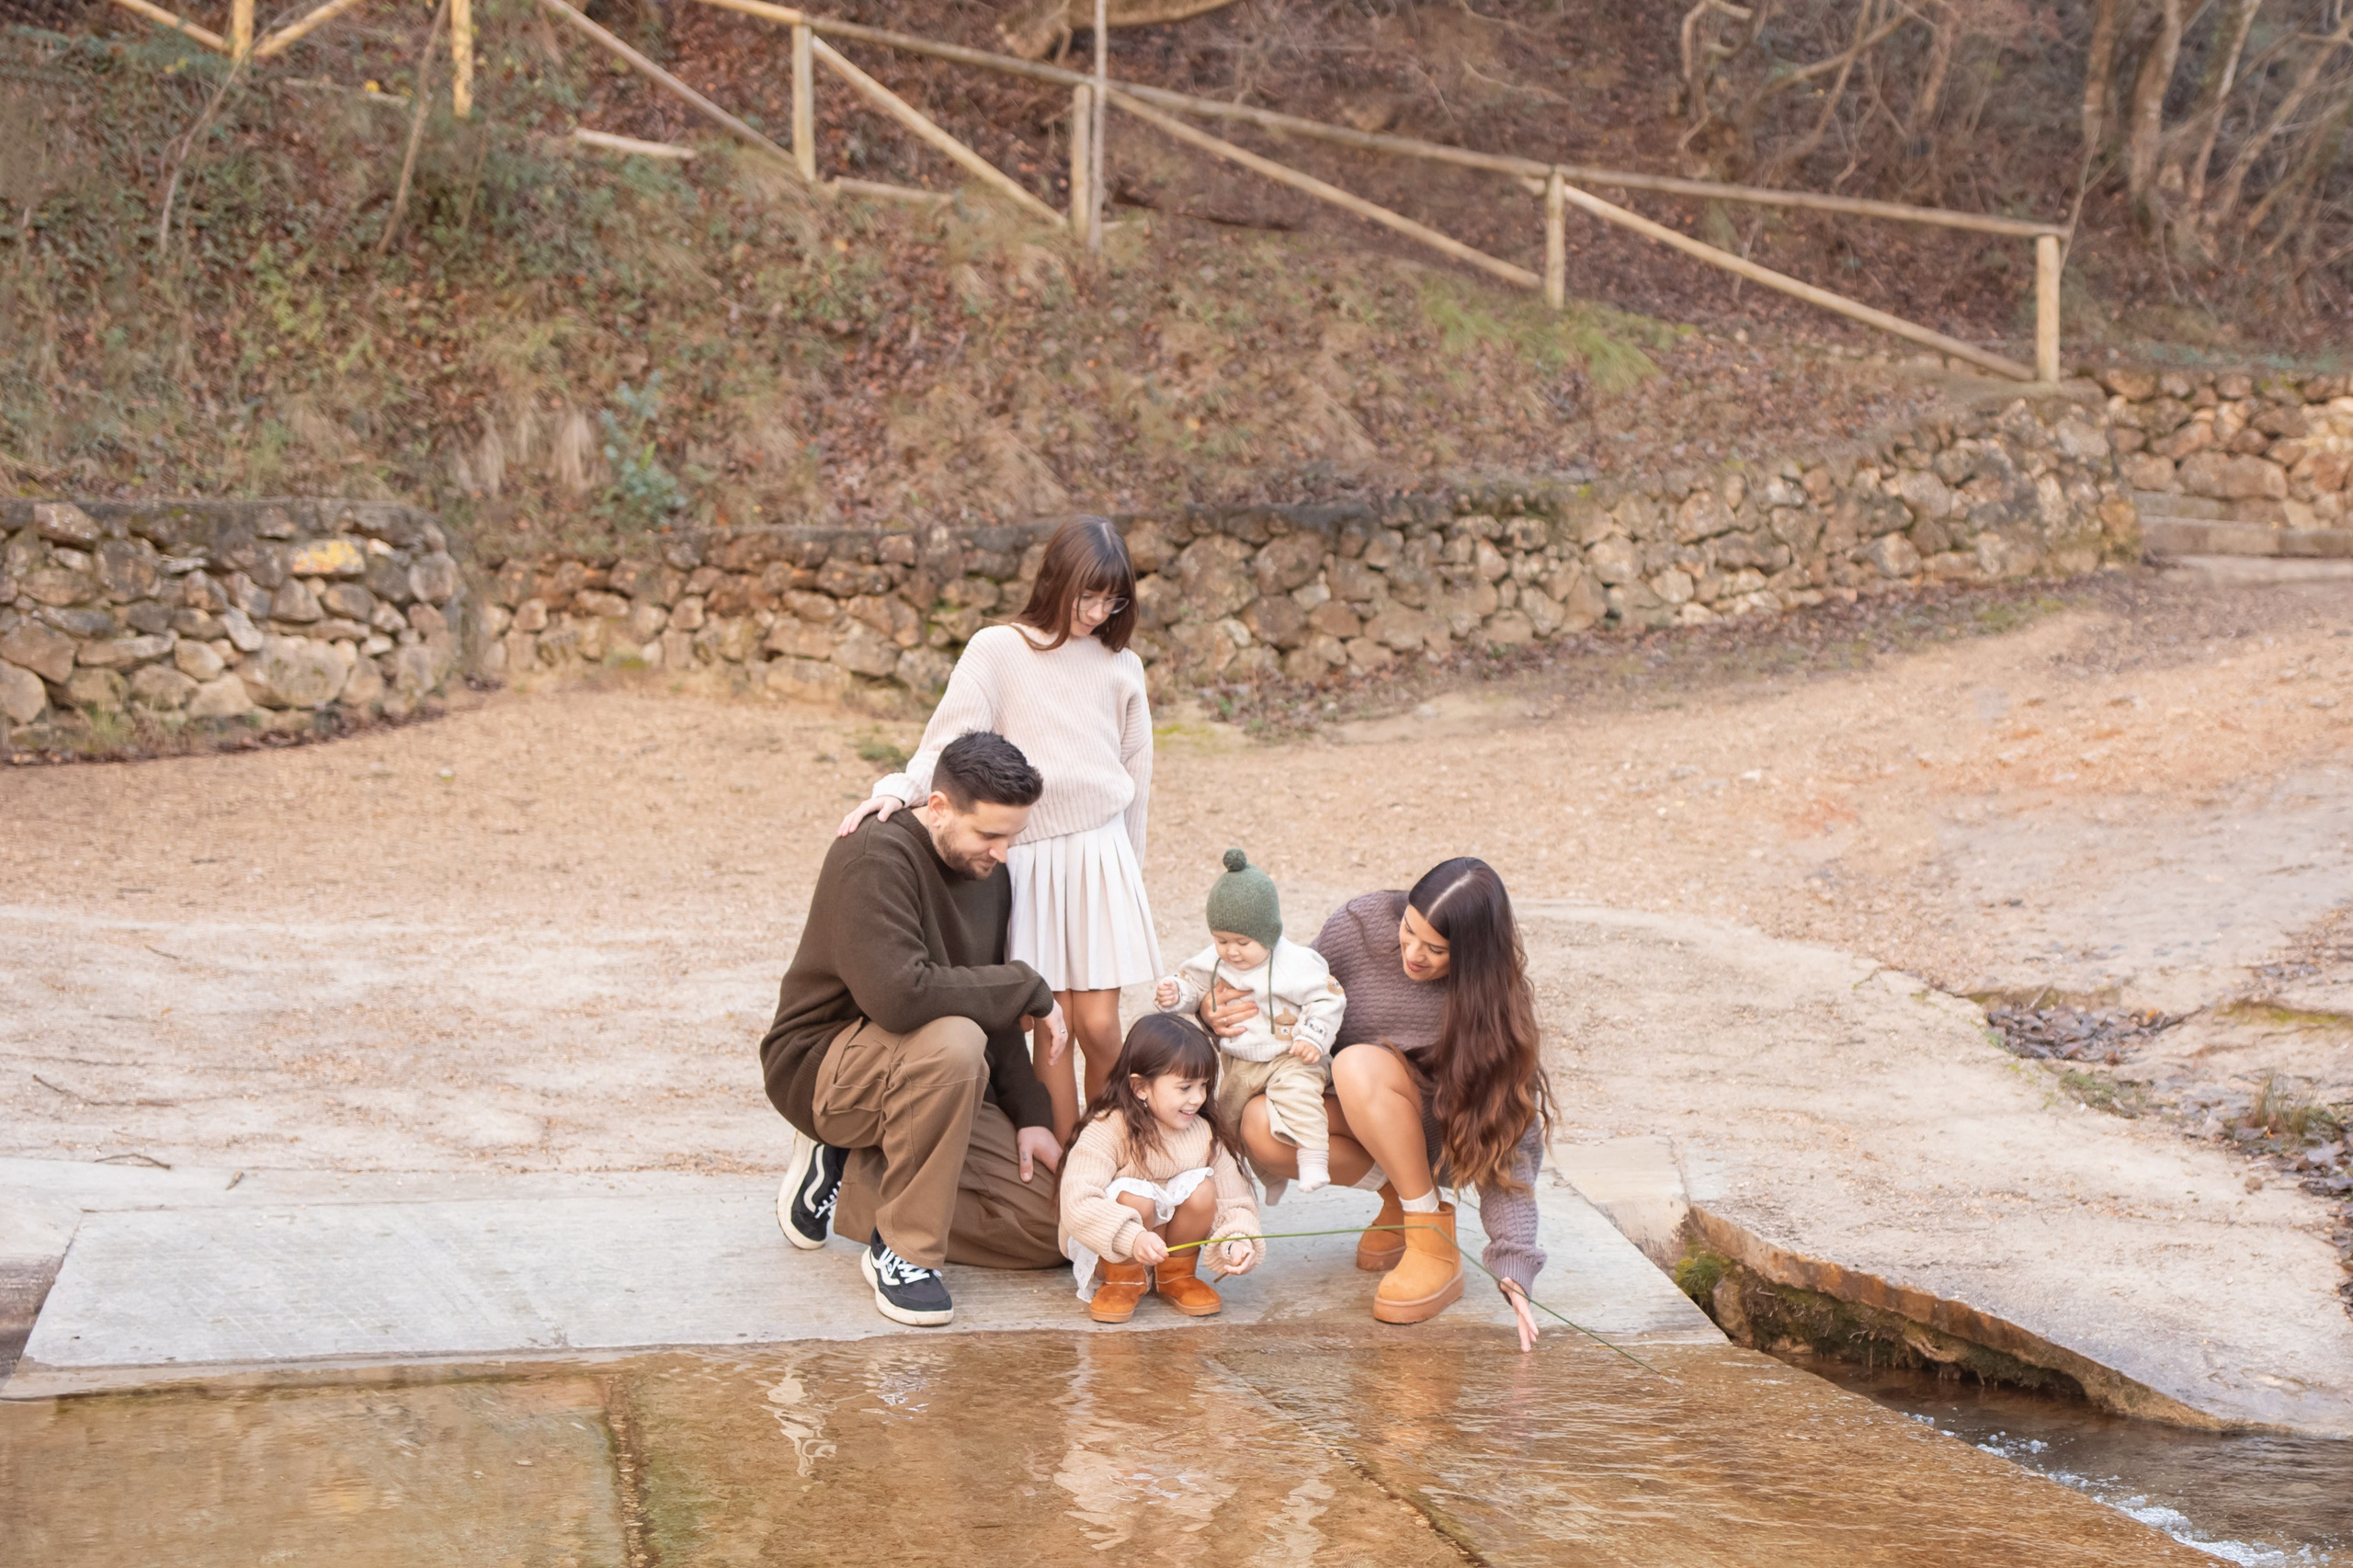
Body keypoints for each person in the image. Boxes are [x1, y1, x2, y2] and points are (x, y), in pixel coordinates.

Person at [838, 516, 1156, 1145]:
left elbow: (1137, 781)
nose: (1097, 611)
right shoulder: (998, 649)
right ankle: (1066, 1181)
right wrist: (895, 792)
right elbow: (948, 741)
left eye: (1111, 599)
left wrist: (1131, 876)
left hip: (1101, 857)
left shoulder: (1123, 666)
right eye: (1086, 595)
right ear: (1055, 579)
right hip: (1029, 857)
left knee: (1099, 1025)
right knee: (1051, 1025)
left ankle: (1121, 1154)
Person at [760, 730, 1071, 1328]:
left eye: (1013, 836)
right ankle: (903, 1252)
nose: (1003, 853)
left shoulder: (988, 871)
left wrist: (1030, 1114)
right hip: (826, 1066)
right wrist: (1027, 985)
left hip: (928, 1075)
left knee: (1053, 1231)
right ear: (937, 808)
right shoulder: (873, 857)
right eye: (989, 834)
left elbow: (982, 996)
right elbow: (901, 998)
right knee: (955, 1042)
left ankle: (856, 1180)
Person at [1206, 858, 1555, 1349]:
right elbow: (1288, 991)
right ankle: (1402, 1202)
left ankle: (1432, 1242)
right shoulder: (1359, 925)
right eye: (1407, 931)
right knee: (1261, 1124)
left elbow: (1513, 1144)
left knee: (1357, 1064)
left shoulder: (1494, 1004)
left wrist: (1515, 1264)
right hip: (1365, 1112)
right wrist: (1213, 1008)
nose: (1411, 953)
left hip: (1433, 1133)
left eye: (1435, 949)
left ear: (1473, 954)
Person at [1154, 848, 1345, 1196]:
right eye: (1222, 940)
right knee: (1229, 1120)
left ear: (1269, 933)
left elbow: (1328, 996)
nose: (1232, 951)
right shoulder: (1213, 960)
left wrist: (1313, 1036)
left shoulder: (1297, 963)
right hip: (1241, 1062)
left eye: (1243, 942)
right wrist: (1176, 993)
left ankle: (1313, 1157)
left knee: (1298, 1096)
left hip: (1291, 1057)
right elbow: (1195, 986)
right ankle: (1269, 1177)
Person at [1059, 1014, 1261, 1323]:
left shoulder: (1203, 1132)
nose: (1198, 1098)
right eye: (1185, 1087)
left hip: (1167, 1249)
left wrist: (1235, 1240)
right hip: (1114, 1250)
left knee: (1205, 1189)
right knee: (1136, 1196)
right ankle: (1123, 1280)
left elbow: (1233, 1199)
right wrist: (1132, 1238)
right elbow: (1078, 1200)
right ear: (1140, 1087)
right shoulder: (1108, 1129)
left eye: (1204, 1085)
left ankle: (1176, 1276)